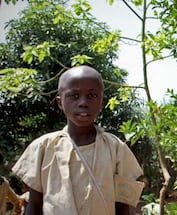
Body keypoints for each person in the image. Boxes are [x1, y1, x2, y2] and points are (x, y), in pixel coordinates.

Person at [12, 65, 144, 215]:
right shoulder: (43, 147)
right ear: (60, 102)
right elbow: (35, 204)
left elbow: (123, 207)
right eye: (74, 95)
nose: (83, 103)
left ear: (102, 101)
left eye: (92, 95)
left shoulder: (116, 148)